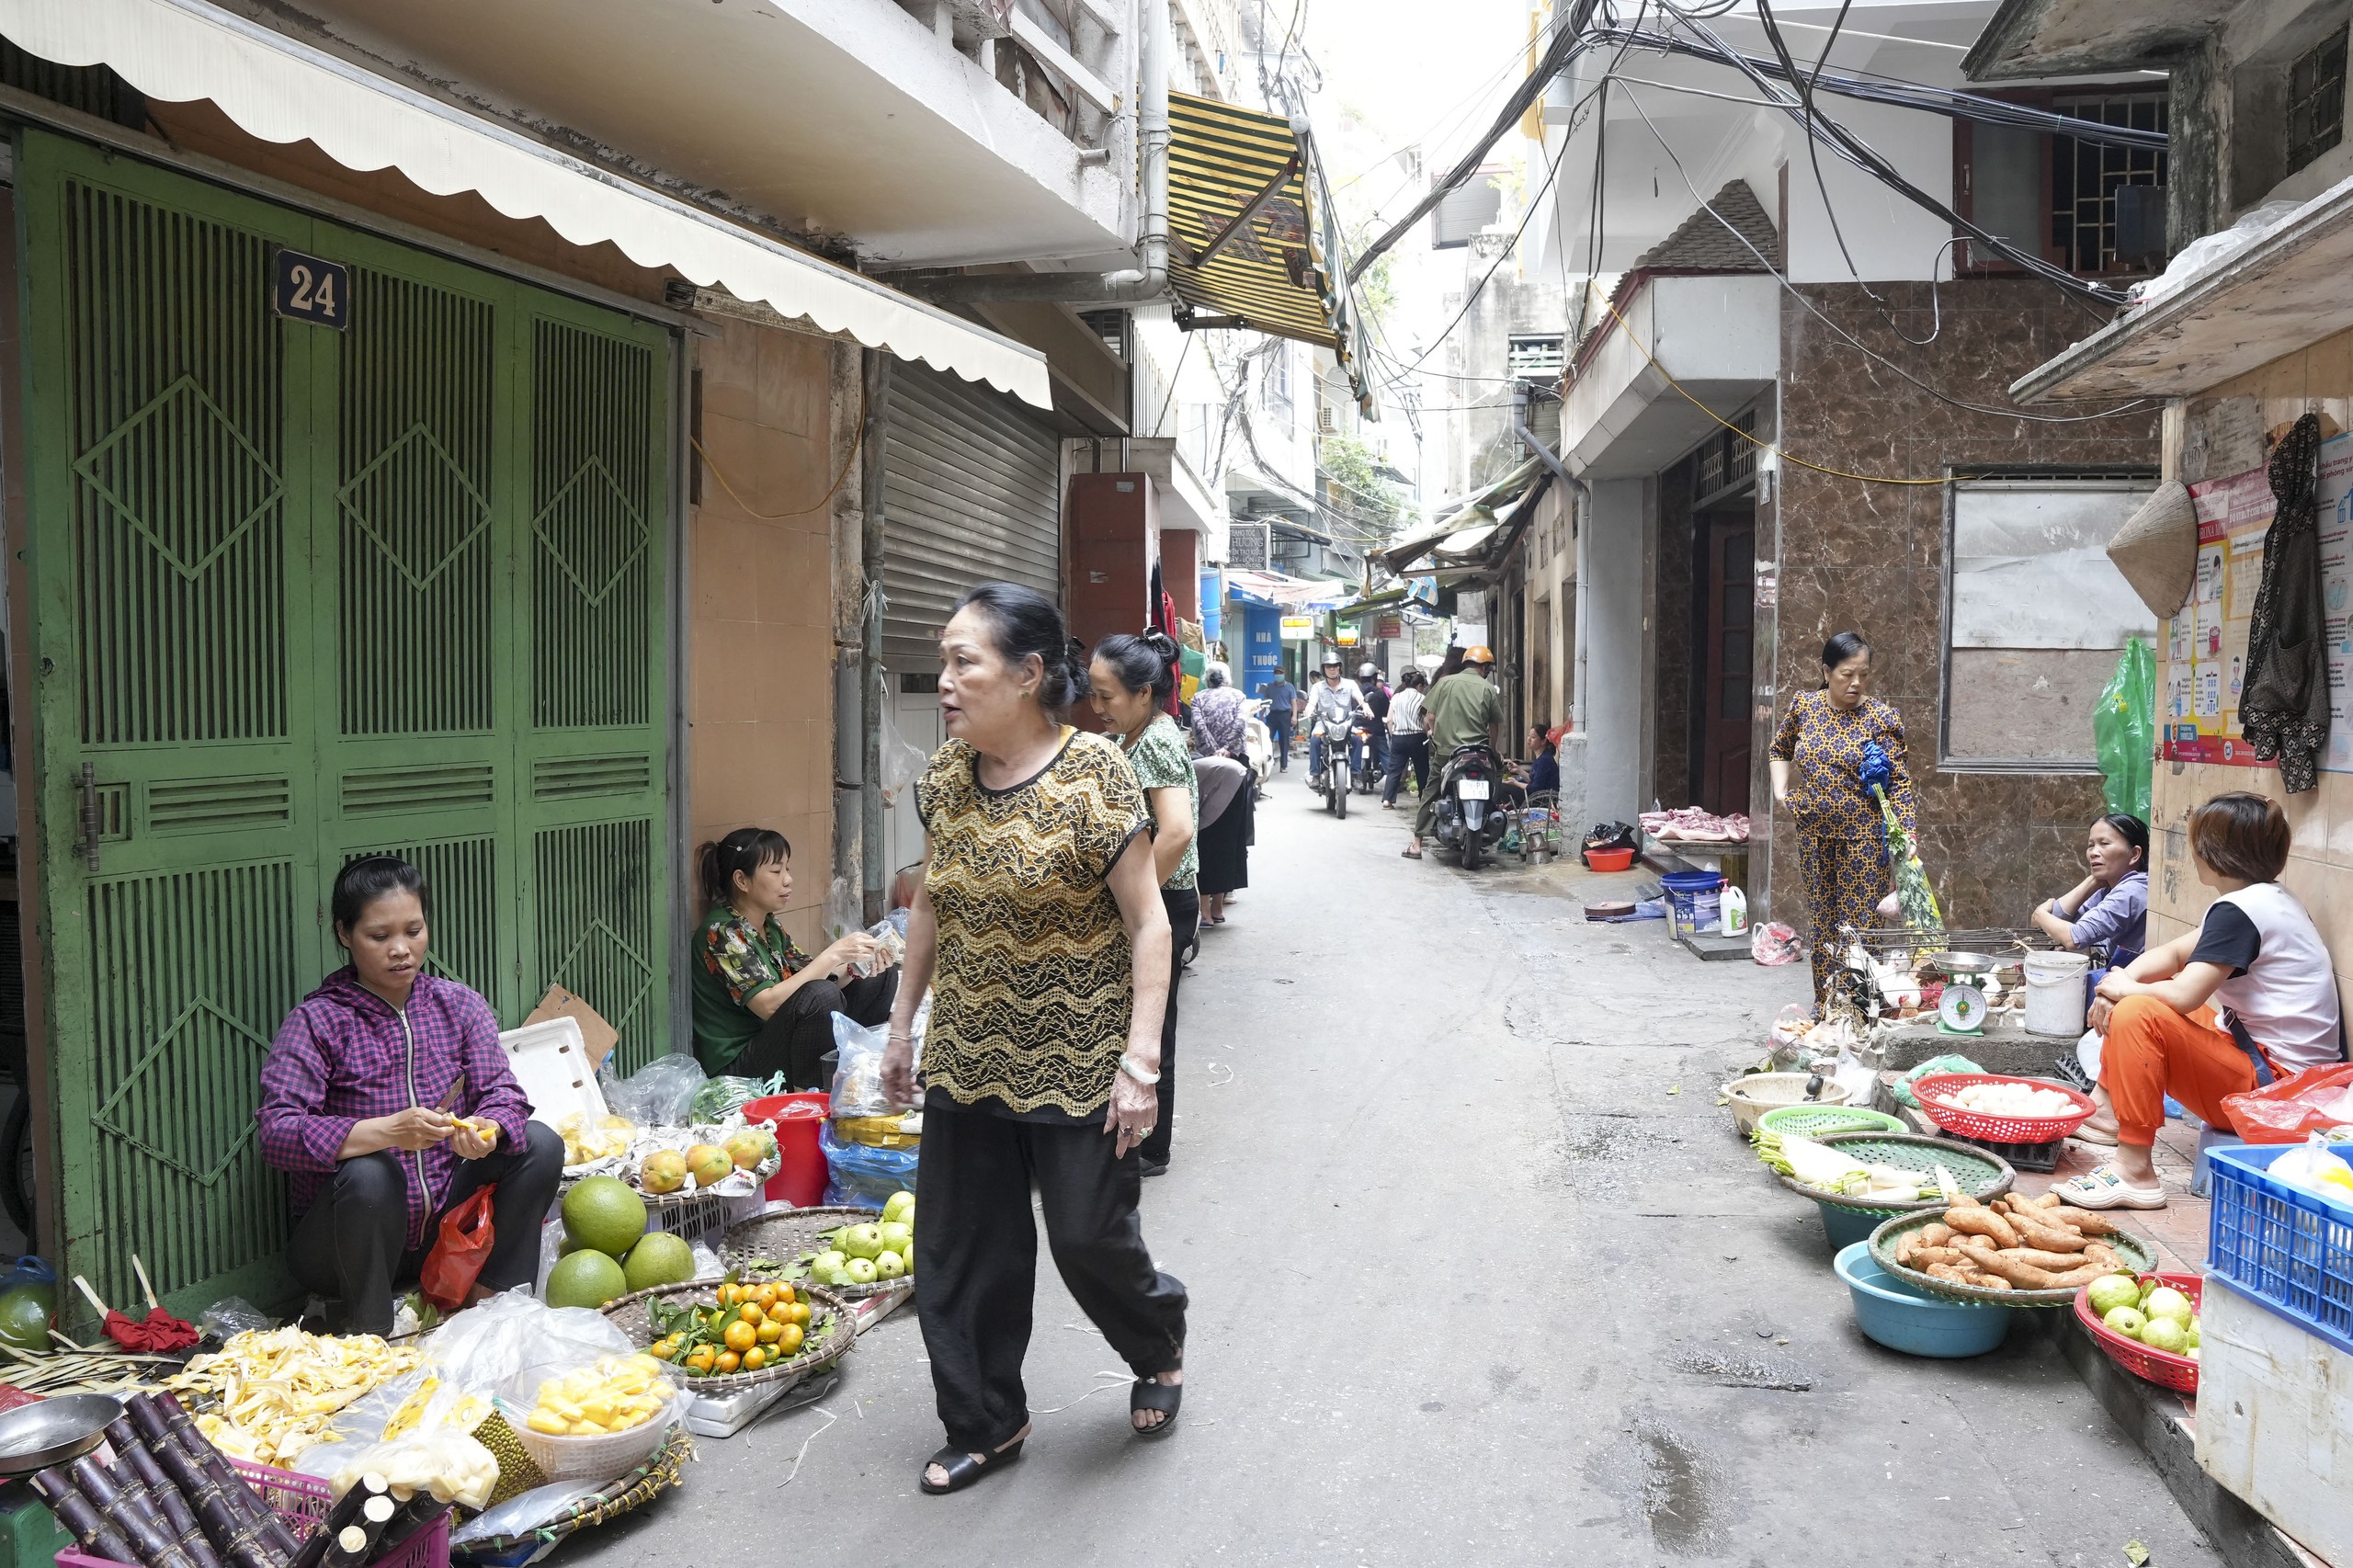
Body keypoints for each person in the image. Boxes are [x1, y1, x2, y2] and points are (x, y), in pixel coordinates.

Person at [883, 583, 1186, 1495]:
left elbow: (1149, 924)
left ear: (1025, 674)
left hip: (1080, 1055)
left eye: (961, 660)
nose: (944, 679)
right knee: (960, 1247)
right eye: (943, 659)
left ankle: (1157, 1339)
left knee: (1089, 1235)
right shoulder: (945, 778)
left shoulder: (1095, 771)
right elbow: (931, 903)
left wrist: (1141, 1061)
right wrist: (901, 1025)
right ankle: (987, 1419)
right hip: (970, 1055)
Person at [257, 857, 563, 1337]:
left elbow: (503, 1094)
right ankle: (370, 1339)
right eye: (379, 937)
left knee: (539, 1143)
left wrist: (489, 1128)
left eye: (414, 931)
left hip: (441, 1227)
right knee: (370, 1171)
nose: (401, 950)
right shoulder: (317, 1021)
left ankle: (493, 1312)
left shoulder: (458, 1005)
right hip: (343, 1244)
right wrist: (386, 1133)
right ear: (344, 933)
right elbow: (277, 1133)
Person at [2066, 792, 2344, 1208]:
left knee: (2140, 1012)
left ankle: (2134, 1169)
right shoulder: (2265, 899)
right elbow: (2174, 955)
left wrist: (2124, 990)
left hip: (2276, 1094)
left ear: (2211, 853)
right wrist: (2116, 981)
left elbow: (2183, 993)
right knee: (2140, 999)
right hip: (2282, 1073)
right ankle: (2107, 1113)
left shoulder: (2241, 911)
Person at [1091, 628, 1198, 1178]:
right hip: (1150, 898)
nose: (1098, 707)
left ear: (1143, 694)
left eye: (1108, 697)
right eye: (1094, 694)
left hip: (1164, 898)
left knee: (1155, 1024)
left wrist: (1140, 904)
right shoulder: (1126, 741)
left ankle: (1152, 1149)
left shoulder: (1156, 740)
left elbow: (1176, 832)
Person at [1768, 631, 1915, 1006]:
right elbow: (1780, 747)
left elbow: (1899, 784)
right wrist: (1781, 793)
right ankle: (1826, 1005)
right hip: (1815, 835)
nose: (1856, 683)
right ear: (1826, 671)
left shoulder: (1881, 717)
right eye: (1847, 674)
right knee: (1822, 924)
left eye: (1863, 675)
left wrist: (1907, 834)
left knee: (1861, 927)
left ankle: (1861, 1009)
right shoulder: (1805, 706)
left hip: (1863, 840)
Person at [690, 828, 897, 1087]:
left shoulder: (768, 926)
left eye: (787, 869)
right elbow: (769, 1006)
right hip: (740, 1065)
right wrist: (832, 953)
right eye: (776, 872)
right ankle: (812, 1095)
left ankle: (855, 1075)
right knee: (821, 996)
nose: (788, 880)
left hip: (776, 1041)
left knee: (879, 977)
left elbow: (813, 977)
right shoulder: (722, 932)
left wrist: (858, 965)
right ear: (742, 881)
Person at [1405, 645, 1503, 859]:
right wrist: (1493, 750)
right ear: (1484, 668)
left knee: (1430, 791)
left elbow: (1429, 717)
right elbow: (1494, 725)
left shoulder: (1445, 683)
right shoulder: (1487, 688)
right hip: (1480, 753)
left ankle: (1416, 844)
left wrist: (1433, 734)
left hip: (1448, 753)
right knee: (1494, 781)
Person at [2030, 812, 2150, 968]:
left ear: (2134, 854)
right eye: (2091, 845)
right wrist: (2092, 882)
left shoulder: (2134, 889)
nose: (2093, 853)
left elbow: (2074, 938)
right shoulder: (2107, 887)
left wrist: (2040, 914)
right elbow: (2052, 923)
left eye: (2104, 843)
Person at [1194, 753, 1252, 925]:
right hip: (1239, 777)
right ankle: (1216, 910)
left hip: (1227, 782)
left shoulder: (1177, 771)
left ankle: (1205, 914)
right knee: (1226, 846)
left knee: (1204, 846)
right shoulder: (1195, 763)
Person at [1302, 657, 1372, 791]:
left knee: (1358, 739)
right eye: (1328, 666)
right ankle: (1315, 774)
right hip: (1324, 723)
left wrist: (1366, 707)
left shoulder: (1350, 684)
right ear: (1324, 669)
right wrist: (1309, 710)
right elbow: (1312, 702)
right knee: (1314, 738)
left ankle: (1355, 775)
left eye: (1335, 666)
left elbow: (1360, 698)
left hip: (1346, 722)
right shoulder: (1318, 687)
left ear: (1340, 667)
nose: (1332, 669)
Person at [1382, 668, 1429, 810]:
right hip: (1417, 738)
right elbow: (1426, 720)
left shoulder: (1396, 697)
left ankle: (1387, 800)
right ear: (1420, 686)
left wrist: (1393, 735)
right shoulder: (1423, 698)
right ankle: (1423, 799)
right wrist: (1428, 733)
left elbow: (1390, 720)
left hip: (1399, 738)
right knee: (1422, 770)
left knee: (1394, 769)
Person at [1189, 662, 1250, 763]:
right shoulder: (1239, 696)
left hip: (1207, 759)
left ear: (1207, 678)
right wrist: (1226, 749)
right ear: (1227, 678)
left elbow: (1198, 726)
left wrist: (1213, 752)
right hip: (1235, 757)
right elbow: (1240, 724)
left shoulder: (1198, 698)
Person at [1358, 663, 1392, 783]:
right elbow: (1386, 711)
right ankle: (1394, 781)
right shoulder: (1380, 693)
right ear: (1374, 677)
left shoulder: (1356, 692)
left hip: (1357, 729)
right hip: (1376, 730)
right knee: (1385, 753)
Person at [1262, 670, 1299, 769]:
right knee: (1267, 739)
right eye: (1277, 673)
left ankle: (1283, 766)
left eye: (1280, 673)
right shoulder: (1270, 687)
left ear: (1284, 674)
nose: (1279, 675)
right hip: (1272, 714)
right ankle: (1268, 761)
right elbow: (1265, 702)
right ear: (1274, 675)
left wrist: (1294, 716)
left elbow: (1293, 702)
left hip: (1285, 715)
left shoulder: (1289, 687)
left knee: (1284, 741)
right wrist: (1262, 715)